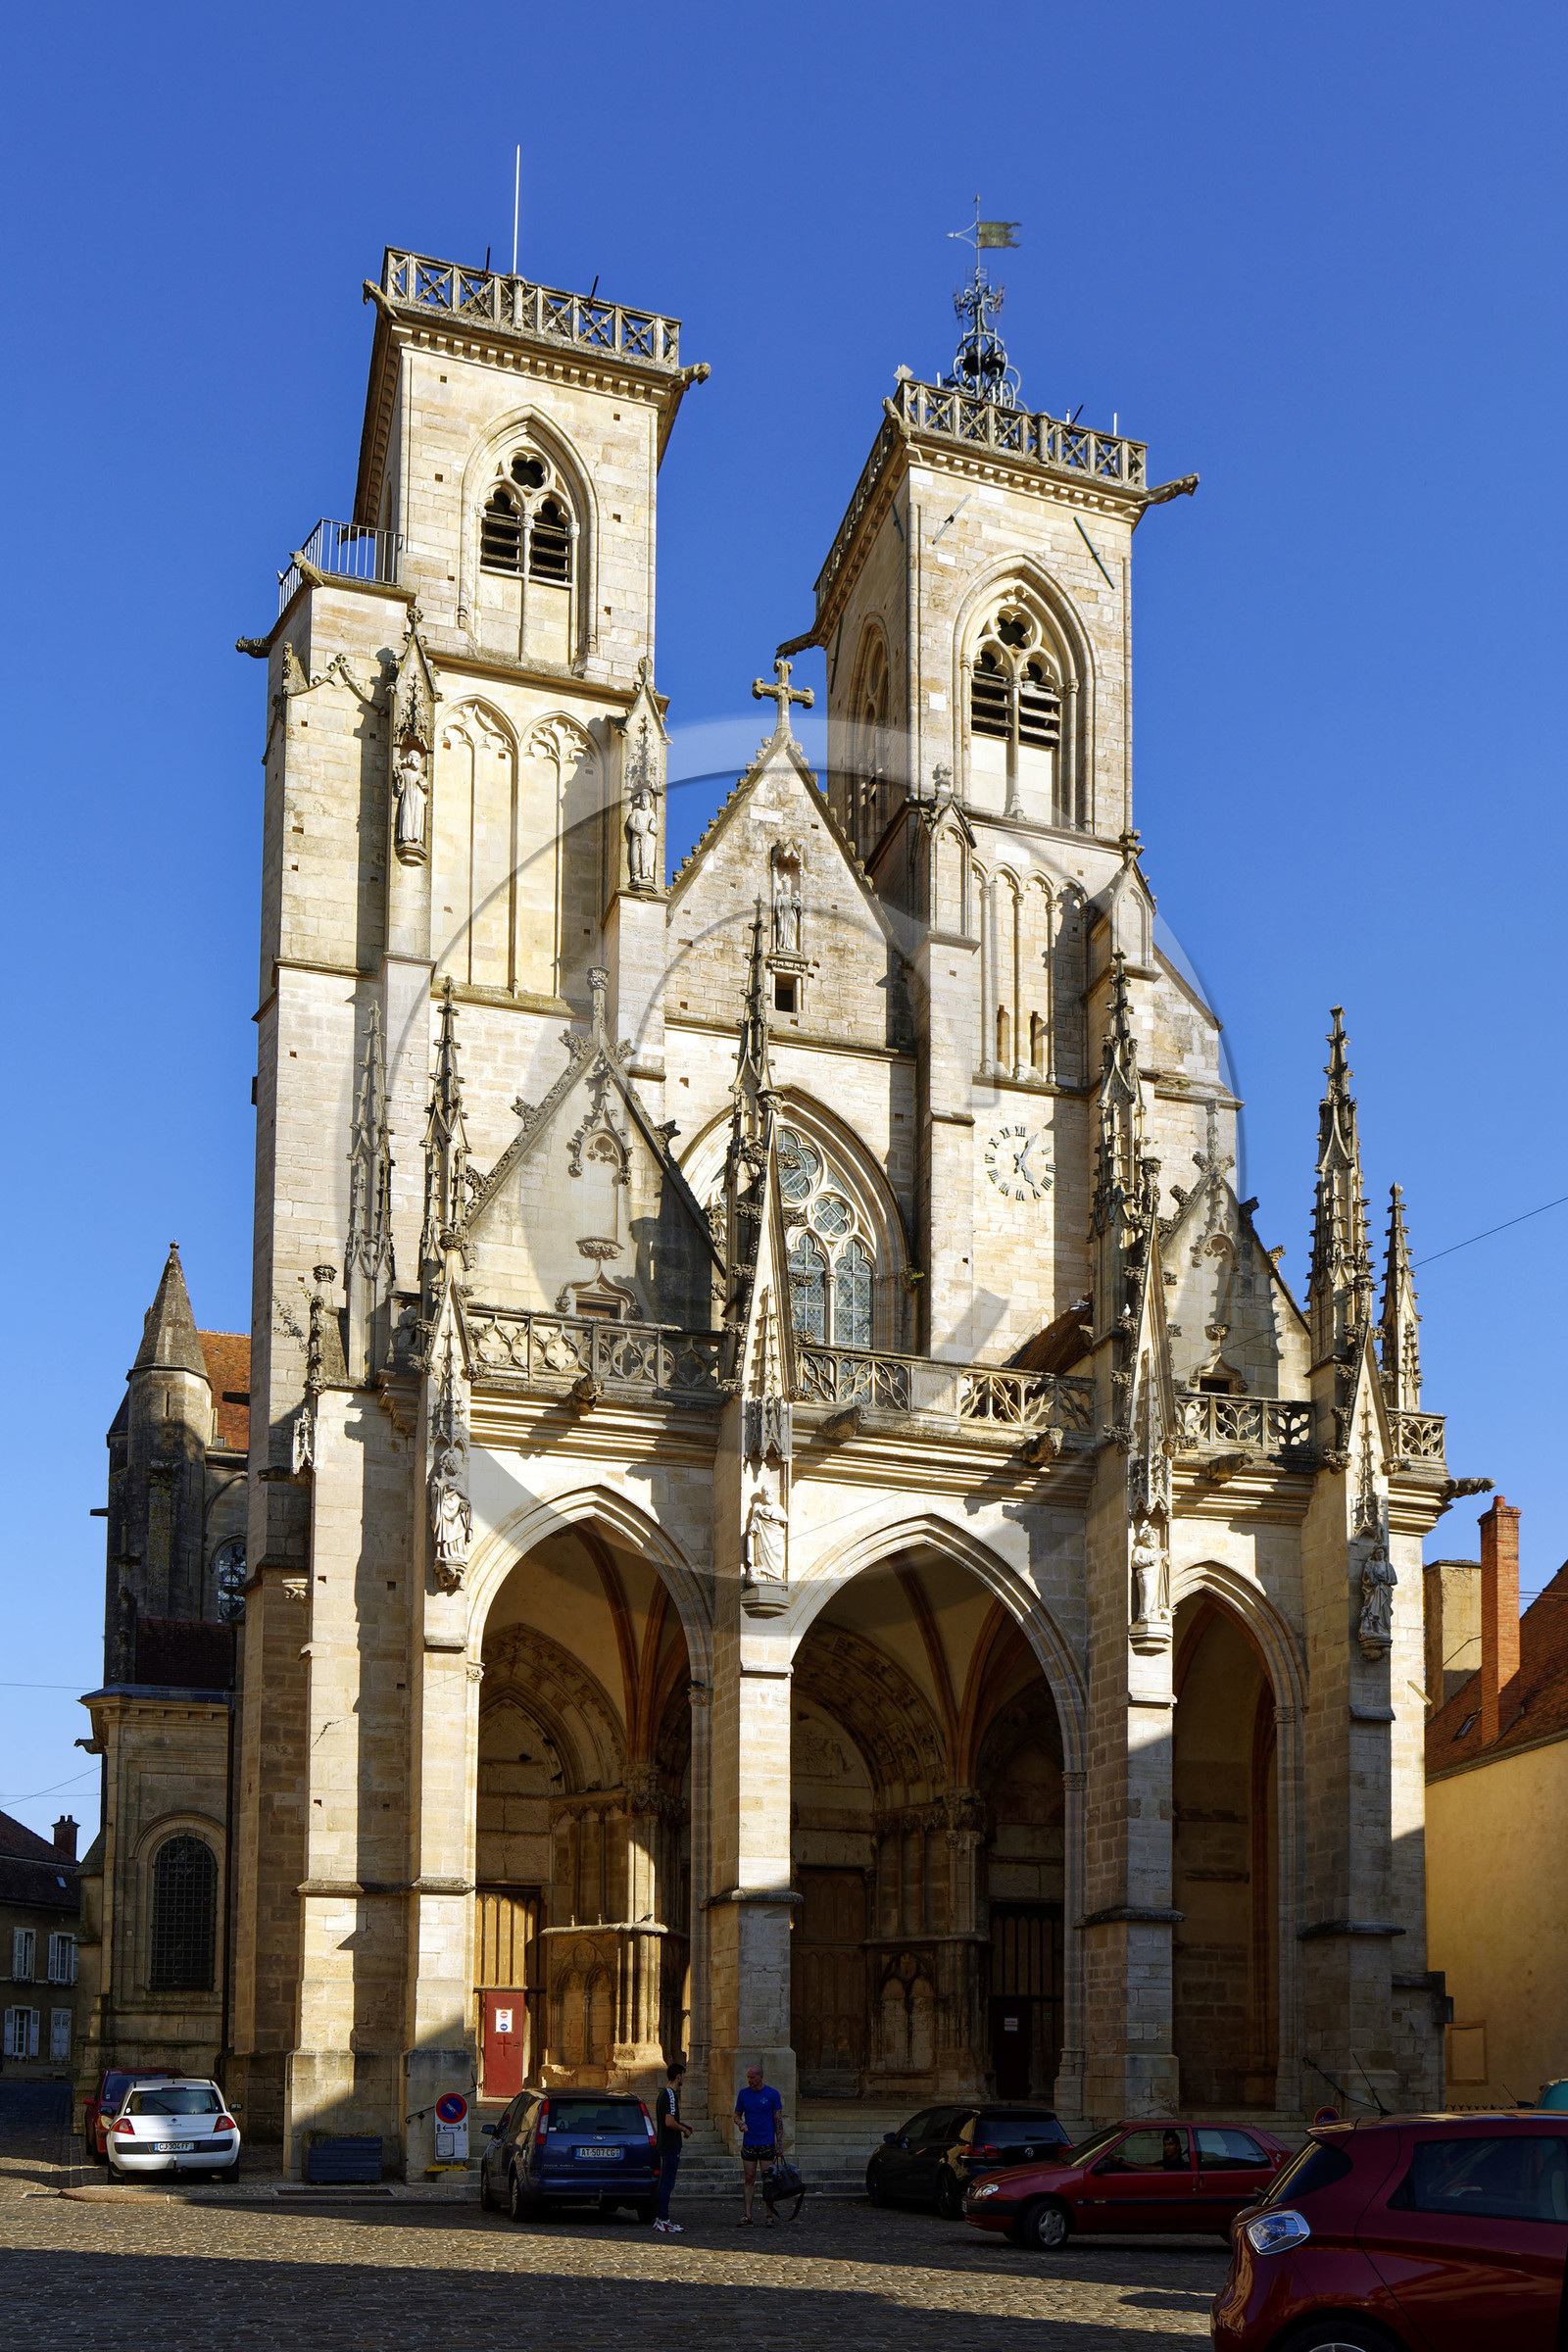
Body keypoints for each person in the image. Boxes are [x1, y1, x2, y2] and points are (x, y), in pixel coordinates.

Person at [733, 2062, 785, 2225]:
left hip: (766, 2142)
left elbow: (778, 2120)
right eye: (748, 2077)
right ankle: (748, 2214)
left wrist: (779, 2144)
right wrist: (741, 2124)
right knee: (749, 2178)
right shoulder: (743, 2095)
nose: (750, 2080)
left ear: (760, 2077)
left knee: (767, 2180)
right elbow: (736, 2115)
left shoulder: (772, 2095)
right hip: (750, 2142)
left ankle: (769, 2214)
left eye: (753, 2077)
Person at [653, 2057, 691, 2233]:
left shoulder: (663, 2094)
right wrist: (683, 2129)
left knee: (665, 2183)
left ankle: (661, 2217)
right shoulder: (671, 2095)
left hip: (664, 2143)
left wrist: (683, 2124)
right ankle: (663, 2218)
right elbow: (669, 2122)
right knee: (667, 2183)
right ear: (678, 2076)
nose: (683, 2078)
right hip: (670, 2144)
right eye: (683, 2075)